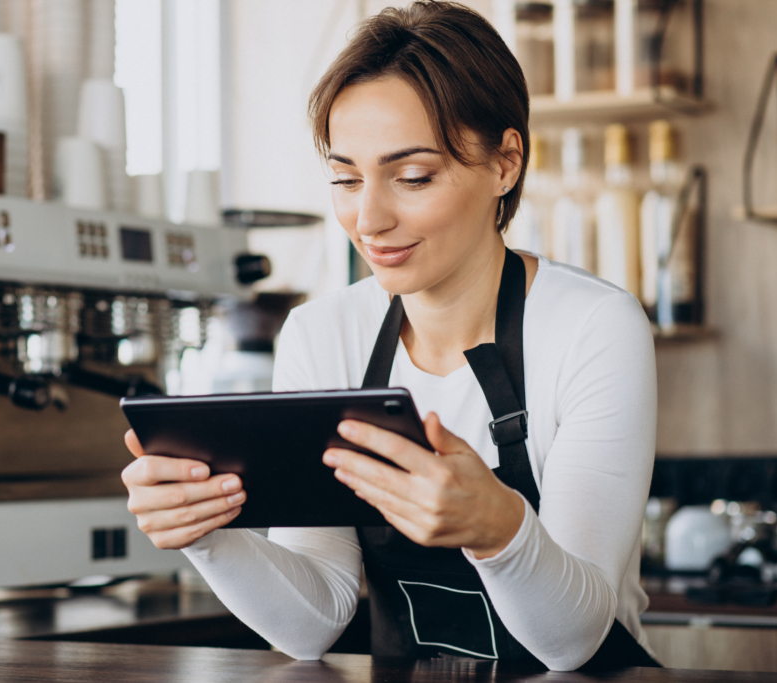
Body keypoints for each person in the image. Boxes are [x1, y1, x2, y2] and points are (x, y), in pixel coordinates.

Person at [121, 1, 658, 672]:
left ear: (505, 162)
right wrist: (205, 533)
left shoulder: (592, 328)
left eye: (412, 177)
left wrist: (499, 529)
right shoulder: (323, 335)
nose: (367, 217)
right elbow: (314, 619)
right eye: (345, 179)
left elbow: (573, 639)